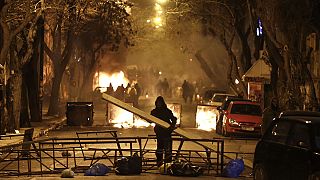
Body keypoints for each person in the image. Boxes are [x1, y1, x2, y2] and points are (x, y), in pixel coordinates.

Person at [151, 96, 177, 167]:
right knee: (159, 149)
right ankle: (159, 164)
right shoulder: (154, 111)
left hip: (167, 133)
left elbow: (174, 119)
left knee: (168, 150)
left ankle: (168, 165)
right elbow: (150, 119)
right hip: (159, 133)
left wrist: (171, 127)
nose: (159, 104)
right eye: (158, 103)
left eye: (160, 103)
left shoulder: (167, 111)